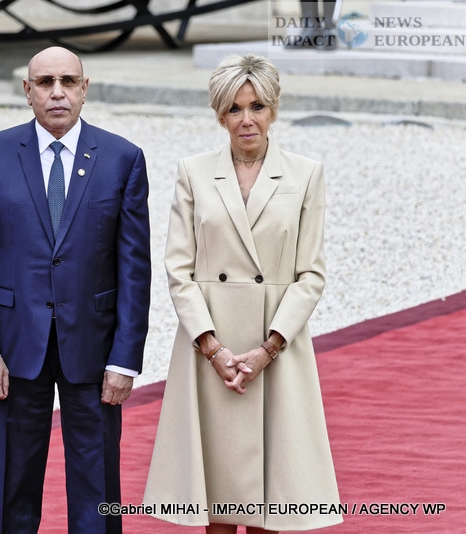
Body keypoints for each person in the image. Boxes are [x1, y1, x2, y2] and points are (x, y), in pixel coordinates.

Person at [143, 54, 342, 533]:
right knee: (217, 499)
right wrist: (212, 348)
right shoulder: (193, 172)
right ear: (219, 115)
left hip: (277, 348)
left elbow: (311, 274)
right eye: (234, 108)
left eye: (257, 106)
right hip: (210, 347)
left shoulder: (305, 173)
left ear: (273, 110)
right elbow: (178, 269)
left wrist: (269, 347)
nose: (246, 119)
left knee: (272, 500)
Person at [0, 46, 151, 534]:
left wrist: (125, 360)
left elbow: (135, 269)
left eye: (68, 82)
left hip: (94, 348)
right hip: (13, 349)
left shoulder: (123, 159)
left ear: (85, 89)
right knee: (13, 482)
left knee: (97, 486)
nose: (57, 93)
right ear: (27, 91)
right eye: (45, 83)